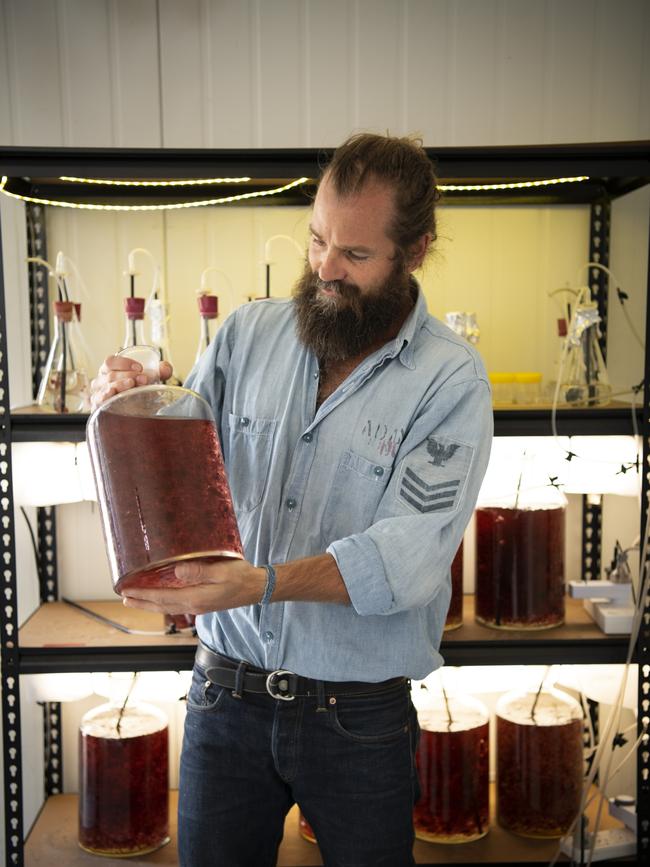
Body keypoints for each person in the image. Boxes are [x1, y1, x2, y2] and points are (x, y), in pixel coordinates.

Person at [91, 132, 493, 867]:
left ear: (416, 252)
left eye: (356, 255)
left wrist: (263, 582)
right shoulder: (247, 335)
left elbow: (407, 557)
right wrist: (127, 398)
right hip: (223, 698)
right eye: (317, 241)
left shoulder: (451, 380)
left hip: (359, 719)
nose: (326, 270)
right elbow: (177, 462)